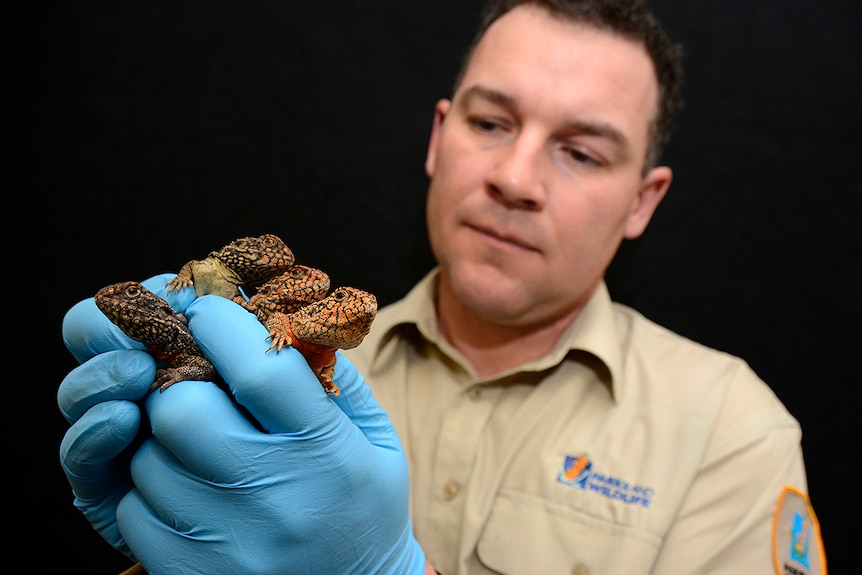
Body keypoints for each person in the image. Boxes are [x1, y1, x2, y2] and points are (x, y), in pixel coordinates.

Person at [57, 0, 827, 573]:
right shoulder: (279, 369)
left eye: (582, 153)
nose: (514, 178)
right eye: (491, 123)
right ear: (438, 135)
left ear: (643, 199)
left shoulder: (732, 434)